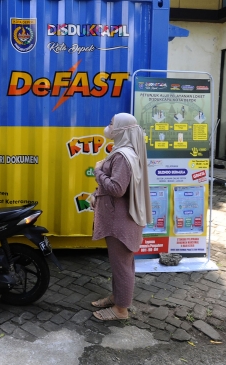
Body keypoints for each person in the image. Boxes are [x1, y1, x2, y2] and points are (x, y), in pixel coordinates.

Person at [89, 112, 152, 321]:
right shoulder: (124, 152)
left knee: (122, 265)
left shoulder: (123, 156)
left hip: (120, 222)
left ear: (122, 130)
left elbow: (117, 189)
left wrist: (98, 171)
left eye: (112, 123)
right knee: (120, 263)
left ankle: (121, 310)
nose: (108, 126)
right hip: (119, 219)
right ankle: (118, 297)